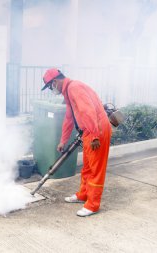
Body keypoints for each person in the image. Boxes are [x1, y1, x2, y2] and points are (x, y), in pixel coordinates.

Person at [41, 68, 112, 217]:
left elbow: (88, 111)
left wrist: (94, 135)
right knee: (87, 167)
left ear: (55, 82)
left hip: (97, 130)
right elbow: (68, 118)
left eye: (49, 87)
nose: (50, 90)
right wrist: (63, 140)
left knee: (95, 169)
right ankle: (83, 195)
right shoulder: (68, 92)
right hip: (89, 130)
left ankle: (93, 205)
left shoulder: (74, 88)